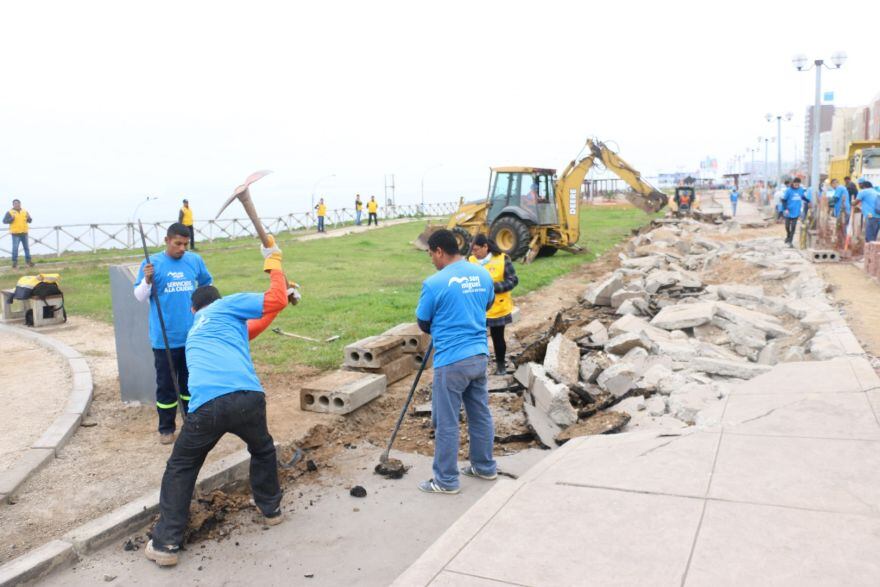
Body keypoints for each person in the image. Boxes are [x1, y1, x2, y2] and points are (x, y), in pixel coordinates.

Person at [145, 238, 297, 567]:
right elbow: (270, 305)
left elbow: (264, 314)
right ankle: (271, 510)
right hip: (249, 400)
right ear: (221, 301)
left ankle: (166, 544)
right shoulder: (228, 307)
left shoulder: (197, 329)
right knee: (262, 449)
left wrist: (281, 295)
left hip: (208, 408)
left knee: (181, 467)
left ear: (193, 309)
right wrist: (274, 264)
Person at [416, 229, 495, 494]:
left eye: (430, 254)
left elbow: (423, 323)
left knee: (447, 422)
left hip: (451, 361)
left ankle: (446, 480)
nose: (431, 260)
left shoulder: (434, 283)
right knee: (480, 414)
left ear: (439, 251)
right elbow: (486, 305)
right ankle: (484, 467)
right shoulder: (482, 274)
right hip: (479, 356)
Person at [134, 223, 213, 444]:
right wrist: (147, 280)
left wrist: (204, 307)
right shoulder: (152, 264)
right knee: (167, 386)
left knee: (191, 383)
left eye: (185, 244)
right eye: (177, 243)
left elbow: (207, 285)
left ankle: (191, 422)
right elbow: (140, 296)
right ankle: (166, 428)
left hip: (192, 336)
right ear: (167, 240)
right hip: (164, 338)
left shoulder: (194, 261)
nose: (181, 248)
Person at [468, 234, 518, 375]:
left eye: (477, 250)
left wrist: (492, 287)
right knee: (477, 339)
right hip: (477, 309)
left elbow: (513, 280)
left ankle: (501, 365)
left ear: (485, 247)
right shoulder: (471, 261)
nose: (474, 253)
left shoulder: (502, 259)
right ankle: (479, 368)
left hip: (498, 307)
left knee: (498, 337)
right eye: (472, 250)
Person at [3, 199, 34, 269]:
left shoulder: (25, 211)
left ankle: (29, 262)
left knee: (26, 248)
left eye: (18, 203)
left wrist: (29, 218)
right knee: (15, 249)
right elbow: (4, 221)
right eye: (15, 204)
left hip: (24, 233)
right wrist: (11, 219)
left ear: (20, 204)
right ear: (13, 205)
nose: (17, 205)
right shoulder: (9, 212)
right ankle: (15, 263)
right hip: (15, 234)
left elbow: (30, 220)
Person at [781, 178, 807, 247]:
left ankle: (790, 241)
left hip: (796, 211)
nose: (797, 185)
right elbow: (783, 200)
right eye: (795, 184)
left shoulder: (801, 189)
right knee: (787, 226)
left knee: (793, 227)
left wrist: (808, 201)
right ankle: (788, 235)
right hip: (788, 211)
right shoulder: (788, 190)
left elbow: (803, 197)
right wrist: (786, 209)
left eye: (798, 184)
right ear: (792, 183)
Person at [855, 178, 880, 243]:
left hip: (871, 216)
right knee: (874, 236)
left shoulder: (863, 192)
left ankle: (870, 252)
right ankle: (873, 251)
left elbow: (855, 202)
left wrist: (851, 202)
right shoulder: (877, 192)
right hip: (878, 216)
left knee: (869, 237)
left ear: (863, 186)